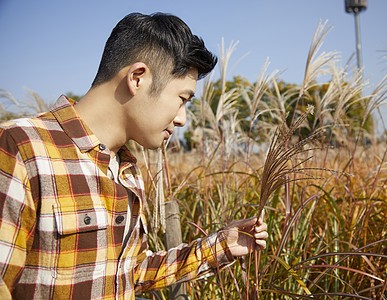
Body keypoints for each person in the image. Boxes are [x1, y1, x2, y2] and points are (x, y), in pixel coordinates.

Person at [0, 12, 268, 299]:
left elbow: (130, 273)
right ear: (137, 78)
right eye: (182, 99)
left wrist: (221, 246)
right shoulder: (22, 147)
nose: (182, 120)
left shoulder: (126, 169)